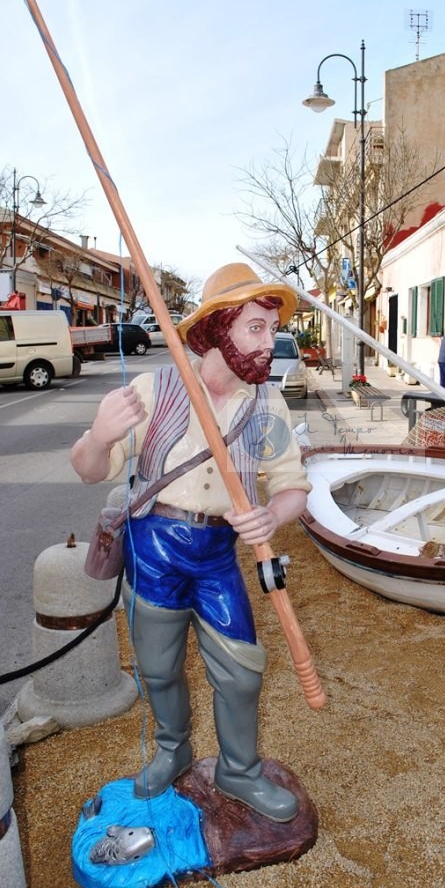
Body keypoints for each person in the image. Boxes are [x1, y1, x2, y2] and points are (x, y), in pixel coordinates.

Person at [71, 263, 312, 823]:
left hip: (216, 553)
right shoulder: (155, 388)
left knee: (242, 667)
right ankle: (172, 749)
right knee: (157, 668)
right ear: (217, 329)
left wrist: (271, 515)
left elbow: (293, 487)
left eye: (270, 327)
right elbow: (88, 470)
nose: (267, 341)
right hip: (154, 546)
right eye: (255, 327)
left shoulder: (266, 406)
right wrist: (100, 434)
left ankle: (239, 769)